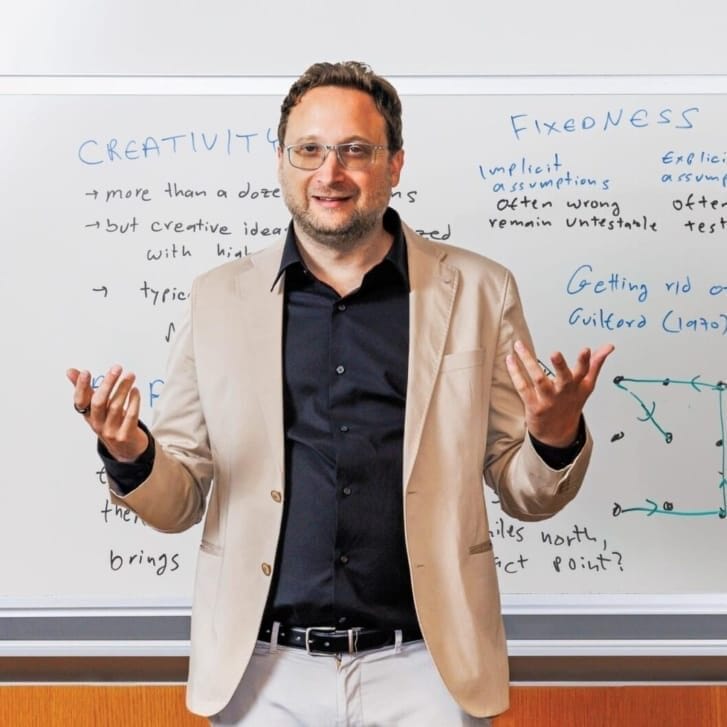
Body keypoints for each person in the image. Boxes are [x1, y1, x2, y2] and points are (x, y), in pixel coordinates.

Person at [68, 61, 614, 726]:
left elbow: (522, 489)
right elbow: (180, 500)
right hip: (261, 674)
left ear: (394, 164)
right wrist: (131, 453)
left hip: (429, 672)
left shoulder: (478, 290)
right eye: (309, 150)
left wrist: (552, 436)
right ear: (281, 161)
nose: (329, 172)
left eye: (355, 150)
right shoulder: (218, 297)